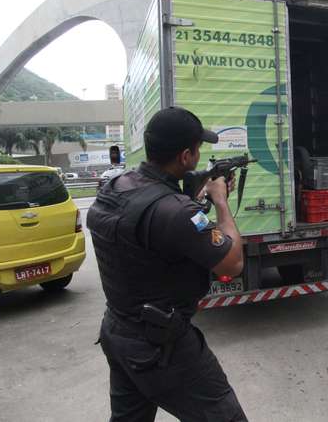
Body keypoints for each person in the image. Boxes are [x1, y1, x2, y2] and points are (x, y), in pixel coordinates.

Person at [87, 107, 248, 422]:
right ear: (186, 156)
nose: (200, 156)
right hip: (161, 348)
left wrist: (188, 199)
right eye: (198, 150)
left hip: (118, 332)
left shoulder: (114, 187)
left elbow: (149, 235)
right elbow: (232, 264)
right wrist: (220, 202)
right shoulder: (177, 212)